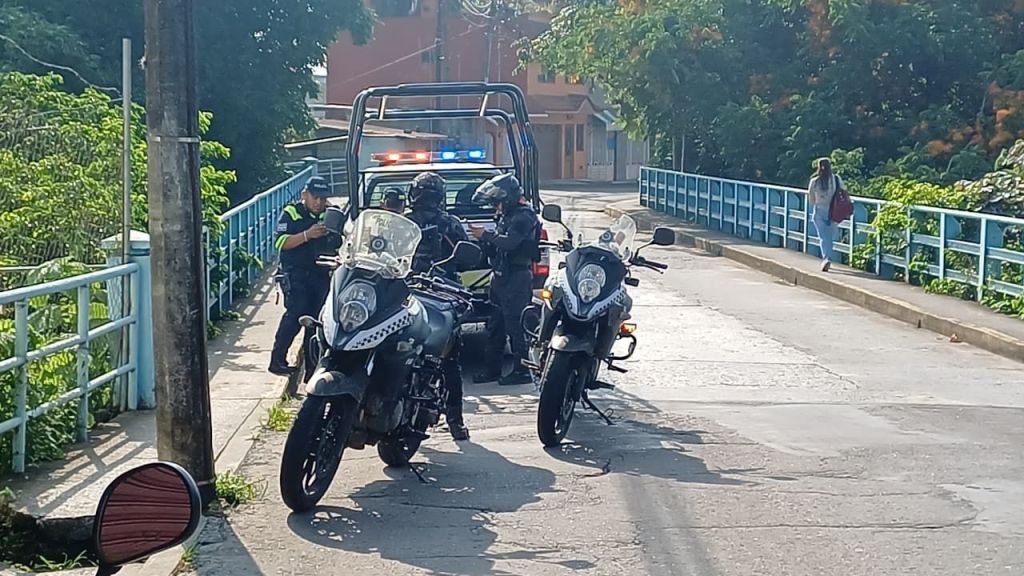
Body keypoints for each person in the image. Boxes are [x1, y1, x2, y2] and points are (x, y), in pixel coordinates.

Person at [406, 172, 472, 440]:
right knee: (449, 361)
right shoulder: (448, 223)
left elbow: (466, 255)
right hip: (434, 292)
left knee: (446, 359)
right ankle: (455, 422)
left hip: (424, 290)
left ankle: (455, 421)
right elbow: (467, 258)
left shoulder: (406, 221)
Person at [469, 173, 541, 386]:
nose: (496, 208)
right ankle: (492, 370)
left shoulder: (524, 216)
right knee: (495, 325)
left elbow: (510, 243)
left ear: (507, 199)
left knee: (516, 326)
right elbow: (499, 246)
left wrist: (485, 235)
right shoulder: (507, 216)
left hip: (517, 278)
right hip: (500, 276)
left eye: (497, 203)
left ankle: (522, 370)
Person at [268, 176, 342, 376]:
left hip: (321, 274)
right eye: (315, 197)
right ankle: (277, 361)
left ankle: (312, 370)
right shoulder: (292, 213)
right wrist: (307, 235)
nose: (319, 202)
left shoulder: (331, 213)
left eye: (323, 198)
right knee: (296, 313)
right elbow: (280, 243)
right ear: (304, 195)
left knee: (317, 321)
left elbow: (344, 241)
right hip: (296, 273)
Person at [808, 157, 845, 272]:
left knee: (823, 237)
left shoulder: (814, 181)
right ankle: (827, 257)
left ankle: (826, 258)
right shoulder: (836, 179)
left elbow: (811, 200)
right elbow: (843, 192)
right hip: (834, 211)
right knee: (830, 237)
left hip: (819, 211)